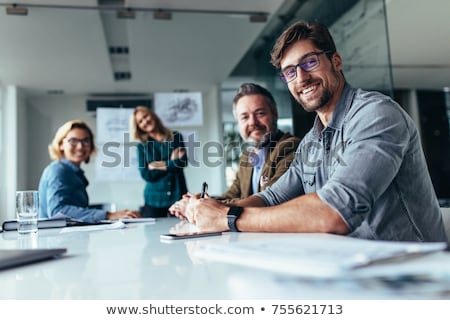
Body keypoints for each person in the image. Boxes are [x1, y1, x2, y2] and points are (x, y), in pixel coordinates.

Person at [170, 20, 448, 243]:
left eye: (310, 62)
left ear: (335, 61)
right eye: (290, 72)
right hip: (351, 268)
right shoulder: (312, 142)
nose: (301, 77)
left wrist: (227, 217)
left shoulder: (375, 114)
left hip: (412, 277)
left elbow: (335, 212)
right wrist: (210, 212)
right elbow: (271, 197)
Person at [39, 120, 141, 222]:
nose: (80, 146)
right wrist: (108, 215)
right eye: (73, 140)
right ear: (61, 144)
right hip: (56, 237)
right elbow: (58, 211)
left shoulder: (73, 173)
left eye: (86, 141)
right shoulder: (58, 171)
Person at [215, 83, 300, 203]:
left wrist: (207, 207)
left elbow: (269, 199)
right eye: (244, 117)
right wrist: (200, 201)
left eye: (260, 113)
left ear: (275, 114)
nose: (252, 122)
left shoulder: (289, 147)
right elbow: (231, 195)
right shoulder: (247, 157)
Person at [130, 106, 188, 218]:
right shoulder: (142, 147)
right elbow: (147, 174)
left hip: (178, 195)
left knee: (181, 231)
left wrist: (155, 165)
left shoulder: (175, 137)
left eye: (145, 116)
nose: (145, 121)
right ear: (138, 127)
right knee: (153, 234)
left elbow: (182, 163)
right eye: (140, 121)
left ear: (152, 115)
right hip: (154, 200)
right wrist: (171, 162)